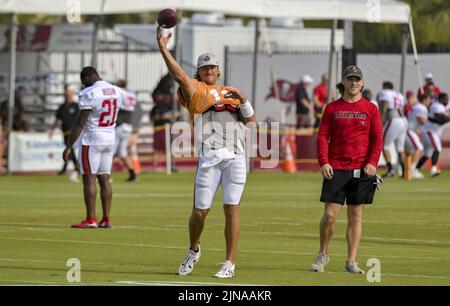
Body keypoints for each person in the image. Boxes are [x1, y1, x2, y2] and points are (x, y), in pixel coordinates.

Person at [157, 26, 256, 278]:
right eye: (204, 68)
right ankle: (193, 249)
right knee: (199, 212)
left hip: (235, 156)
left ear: (218, 70)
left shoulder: (231, 92)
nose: (209, 71)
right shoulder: (195, 89)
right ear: (198, 72)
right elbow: (178, 76)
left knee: (232, 208)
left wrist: (243, 99)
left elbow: (252, 122)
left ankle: (229, 263)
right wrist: (163, 48)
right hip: (210, 157)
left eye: (212, 67)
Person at [312, 65, 383, 274]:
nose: (354, 83)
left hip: (363, 171)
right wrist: (324, 162)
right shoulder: (332, 108)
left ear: (362, 83)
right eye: (350, 79)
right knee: (330, 215)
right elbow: (323, 136)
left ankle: (351, 261)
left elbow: (377, 139)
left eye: (357, 79)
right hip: (336, 168)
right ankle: (323, 253)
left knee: (356, 215)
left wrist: (372, 163)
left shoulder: (371, 109)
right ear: (343, 82)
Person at [62, 66, 122, 229]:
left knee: (89, 178)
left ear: (88, 77)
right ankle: (106, 219)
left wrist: (69, 146)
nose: (84, 85)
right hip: (110, 137)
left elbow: (80, 122)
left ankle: (90, 219)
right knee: (104, 178)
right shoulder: (115, 90)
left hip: (93, 138)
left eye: (84, 82)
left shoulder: (89, 93)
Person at [49, 85, 80, 182]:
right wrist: (52, 130)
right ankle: (73, 168)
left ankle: (75, 168)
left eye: (69, 94)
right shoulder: (62, 107)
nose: (68, 96)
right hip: (65, 132)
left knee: (70, 150)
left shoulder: (76, 106)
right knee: (69, 150)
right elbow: (57, 120)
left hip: (74, 132)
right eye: (67, 95)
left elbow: (80, 119)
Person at [377, 82, 408, 178]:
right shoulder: (399, 94)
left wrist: (381, 119)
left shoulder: (385, 92)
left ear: (385, 87)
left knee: (383, 144)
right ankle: (404, 172)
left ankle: (390, 170)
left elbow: (385, 105)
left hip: (393, 119)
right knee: (400, 148)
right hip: (403, 120)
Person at [416, 92, 449, 177]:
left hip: (433, 132)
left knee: (428, 154)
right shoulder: (437, 106)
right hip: (429, 131)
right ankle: (433, 169)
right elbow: (440, 119)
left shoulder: (445, 106)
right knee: (437, 147)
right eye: (445, 99)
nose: (447, 100)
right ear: (441, 100)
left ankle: (415, 169)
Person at [114, 79, 138, 182]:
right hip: (128, 126)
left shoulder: (120, 93)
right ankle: (133, 174)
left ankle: (103, 175)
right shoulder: (131, 94)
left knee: (110, 151)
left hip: (120, 125)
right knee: (122, 152)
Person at [405, 94, 431, 179]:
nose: (429, 102)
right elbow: (421, 120)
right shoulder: (421, 108)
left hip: (411, 130)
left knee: (410, 150)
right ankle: (412, 170)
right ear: (425, 100)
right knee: (419, 148)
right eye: (428, 99)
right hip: (410, 130)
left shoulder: (417, 106)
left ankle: (408, 169)